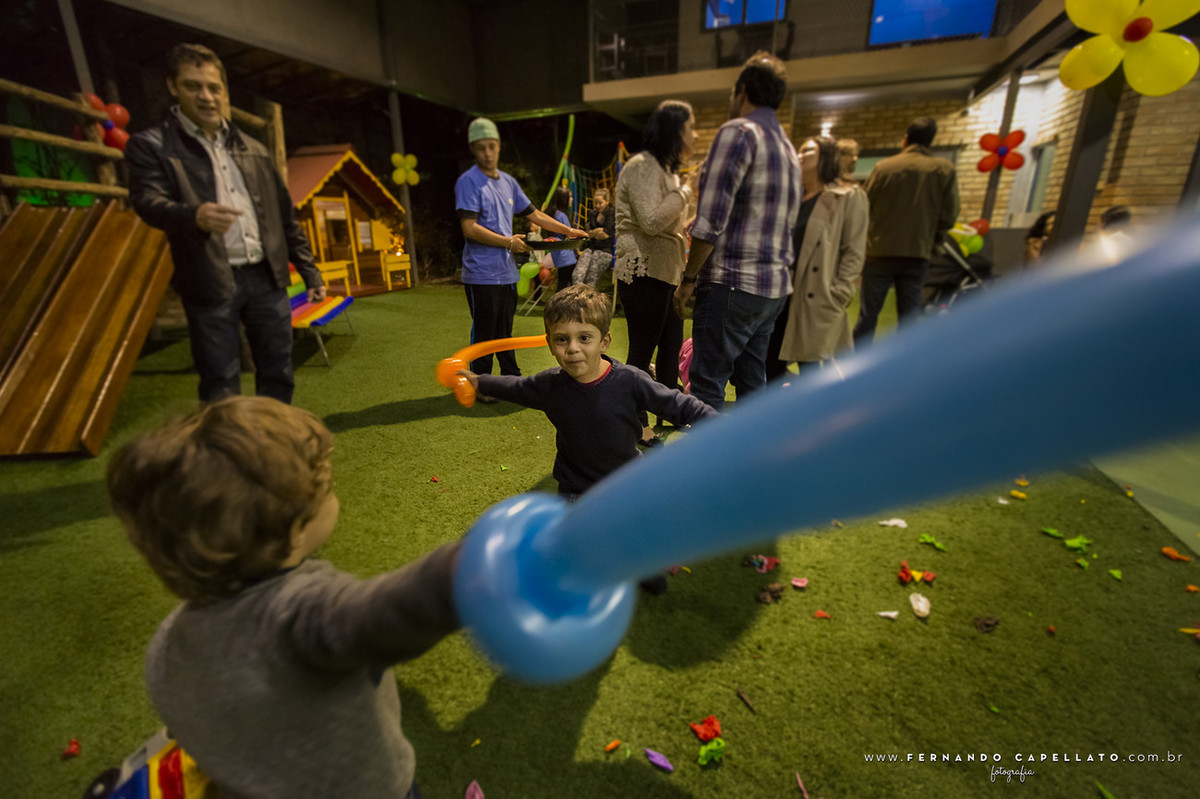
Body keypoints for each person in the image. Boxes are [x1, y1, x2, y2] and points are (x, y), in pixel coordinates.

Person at [106, 396, 460, 798]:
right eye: (326, 485)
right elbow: (392, 611)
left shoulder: (167, 642)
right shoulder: (300, 616)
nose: (334, 490)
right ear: (290, 528)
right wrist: (471, 563)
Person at [458, 285, 716, 592]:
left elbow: (680, 404)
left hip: (625, 480)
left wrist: (719, 424)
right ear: (550, 344)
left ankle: (640, 564)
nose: (573, 349)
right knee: (571, 550)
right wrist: (477, 381)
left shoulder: (630, 381)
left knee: (633, 530)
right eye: (561, 339)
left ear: (604, 340)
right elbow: (514, 386)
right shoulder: (549, 386)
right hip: (574, 486)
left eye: (584, 338)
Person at [126, 44, 325, 405]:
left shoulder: (254, 149)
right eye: (193, 86)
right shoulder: (152, 145)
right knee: (220, 379)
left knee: (278, 371)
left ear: (225, 91)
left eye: (213, 87)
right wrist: (192, 215)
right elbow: (146, 201)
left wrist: (310, 273)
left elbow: (285, 218)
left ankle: (272, 446)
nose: (206, 96)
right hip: (209, 277)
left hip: (266, 277)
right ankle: (228, 455)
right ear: (173, 86)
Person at [672, 52, 802, 412]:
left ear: (742, 91)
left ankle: (707, 468)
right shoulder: (788, 149)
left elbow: (711, 220)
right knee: (751, 382)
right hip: (772, 290)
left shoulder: (739, 132)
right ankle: (751, 463)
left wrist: (688, 281)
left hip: (732, 282)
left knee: (707, 383)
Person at [455, 117, 586, 395]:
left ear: (499, 146)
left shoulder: (508, 182)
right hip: (480, 272)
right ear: (473, 150)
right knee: (485, 331)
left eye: (491, 146)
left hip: (506, 271)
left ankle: (510, 377)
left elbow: (534, 213)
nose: (487, 153)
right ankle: (480, 384)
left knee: (505, 328)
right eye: (480, 148)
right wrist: (508, 242)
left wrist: (568, 230)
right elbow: (469, 227)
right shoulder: (468, 182)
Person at [613, 99, 697, 445]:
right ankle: (636, 422)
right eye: (691, 128)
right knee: (641, 352)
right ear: (674, 131)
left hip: (666, 269)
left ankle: (668, 410)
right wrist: (687, 190)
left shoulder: (665, 170)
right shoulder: (643, 165)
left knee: (670, 347)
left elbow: (668, 221)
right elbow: (649, 222)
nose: (694, 136)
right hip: (642, 268)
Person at [766, 136, 868, 378]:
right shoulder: (791, 198)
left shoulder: (848, 196)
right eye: (798, 150)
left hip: (817, 296)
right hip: (780, 296)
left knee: (813, 370)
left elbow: (854, 250)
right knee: (769, 367)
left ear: (827, 156)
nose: (799, 155)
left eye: (807, 150)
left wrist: (839, 292)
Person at [853, 116, 959, 345]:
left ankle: (858, 365)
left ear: (905, 139)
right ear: (931, 141)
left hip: (879, 252)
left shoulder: (884, 168)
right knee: (909, 317)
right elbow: (949, 215)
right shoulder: (944, 169)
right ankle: (904, 367)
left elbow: (864, 207)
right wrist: (933, 241)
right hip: (917, 252)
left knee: (868, 314)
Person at [574, 187, 616, 286]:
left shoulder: (611, 212)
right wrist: (597, 231)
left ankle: (587, 299)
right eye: (595, 203)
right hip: (591, 247)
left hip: (605, 250)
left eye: (600, 203)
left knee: (591, 277)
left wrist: (594, 232)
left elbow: (605, 234)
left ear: (607, 201)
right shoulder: (593, 213)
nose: (597, 205)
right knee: (577, 274)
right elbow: (588, 234)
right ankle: (575, 296)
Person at [544, 185, 579, 290]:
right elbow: (570, 234)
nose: (572, 199)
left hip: (558, 254)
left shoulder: (554, 214)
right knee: (566, 285)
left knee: (563, 283)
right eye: (570, 197)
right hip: (566, 255)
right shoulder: (561, 216)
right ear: (564, 199)